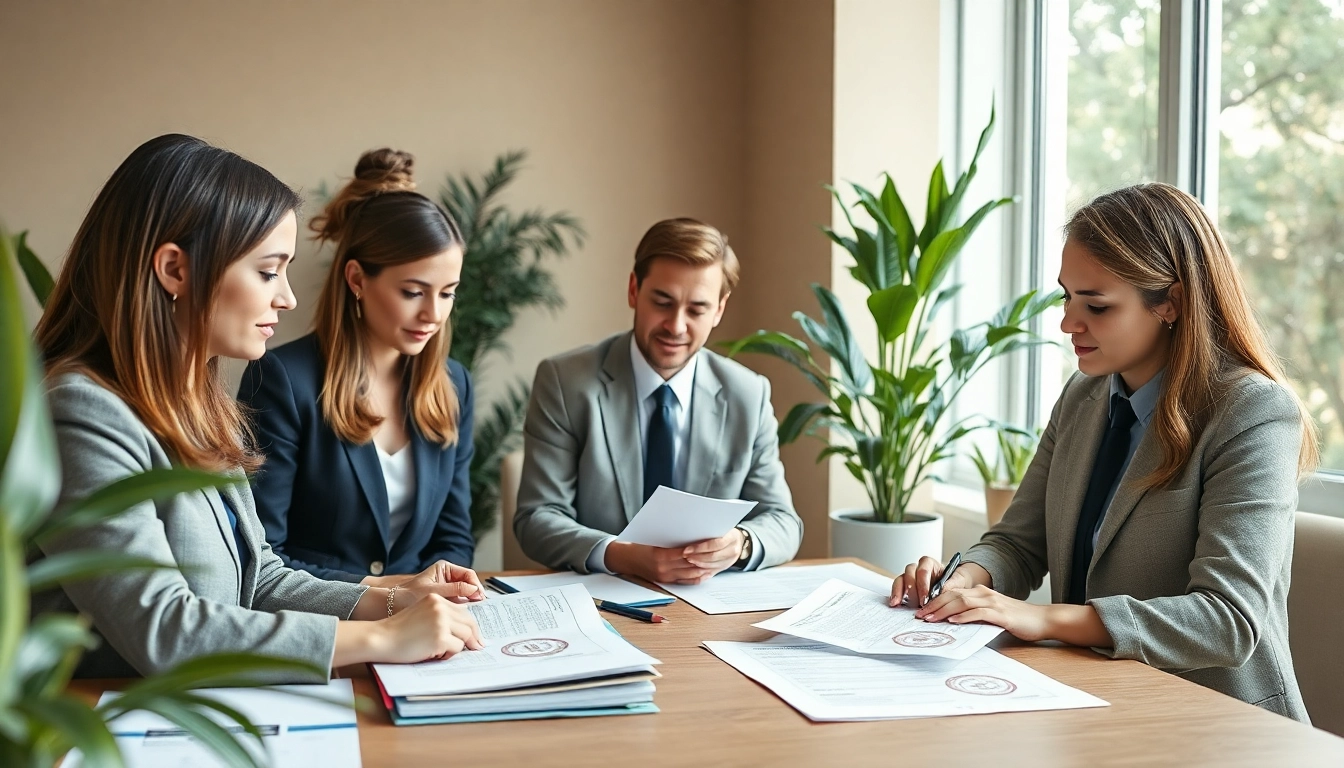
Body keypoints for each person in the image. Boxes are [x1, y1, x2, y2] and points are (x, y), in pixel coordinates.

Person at [32, 134, 484, 682]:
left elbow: (260, 577)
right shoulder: (81, 412)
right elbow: (165, 628)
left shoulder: (196, 402)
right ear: (175, 270)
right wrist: (382, 637)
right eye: (269, 271)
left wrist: (392, 601)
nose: (288, 297)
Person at [890, 183, 1318, 721]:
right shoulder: (1084, 394)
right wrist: (966, 581)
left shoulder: (1251, 412)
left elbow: (1228, 620)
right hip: (1094, 700)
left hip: (1219, 723)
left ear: (1172, 302)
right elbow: (1018, 542)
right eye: (1066, 296)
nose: (1069, 322)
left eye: (1096, 305)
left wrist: (1043, 619)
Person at [514, 217, 804, 582]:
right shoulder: (565, 382)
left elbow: (783, 521)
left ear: (719, 309)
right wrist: (621, 555)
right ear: (634, 289)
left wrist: (741, 542)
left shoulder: (748, 393)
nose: (676, 326)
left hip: (705, 609)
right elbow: (537, 518)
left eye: (697, 309)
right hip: (600, 601)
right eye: (662, 302)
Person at [238, 149, 474, 586]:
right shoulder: (283, 380)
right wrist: (390, 593)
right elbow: (260, 552)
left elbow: (454, 538)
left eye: (448, 293)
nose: (433, 315)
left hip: (424, 626)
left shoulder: (453, 384)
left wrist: (448, 586)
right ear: (357, 280)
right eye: (413, 292)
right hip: (323, 627)